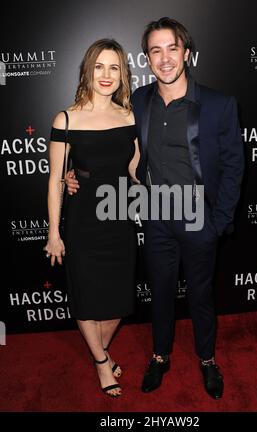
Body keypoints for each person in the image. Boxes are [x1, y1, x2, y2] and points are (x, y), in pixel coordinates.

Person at [66, 17, 244, 400]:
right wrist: (73, 175)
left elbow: (233, 167)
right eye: (155, 50)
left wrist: (218, 222)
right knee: (160, 293)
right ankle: (160, 356)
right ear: (147, 58)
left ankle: (207, 360)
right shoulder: (138, 103)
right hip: (156, 216)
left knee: (201, 295)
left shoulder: (218, 104)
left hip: (201, 219)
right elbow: (105, 146)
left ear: (187, 52)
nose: (164, 58)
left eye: (172, 48)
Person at [44, 39, 139, 398]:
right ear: (88, 70)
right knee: (85, 297)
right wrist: (54, 232)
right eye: (99, 66)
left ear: (122, 74)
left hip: (119, 217)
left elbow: (134, 169)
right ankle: (102, 362)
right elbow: (56, 179)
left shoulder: (128, 115)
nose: (106, 74)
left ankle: (99, 350)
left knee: (118, 302)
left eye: (114, 67)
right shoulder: (66, 118)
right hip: (83, 222)